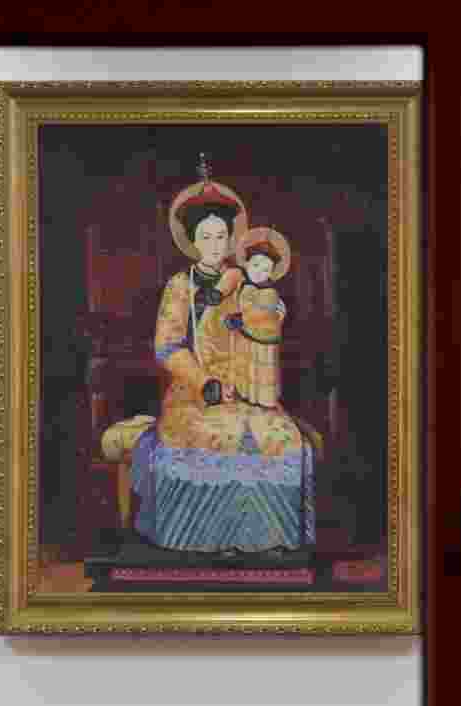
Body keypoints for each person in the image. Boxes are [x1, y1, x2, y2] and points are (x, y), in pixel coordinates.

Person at [121, 172, 316, 556]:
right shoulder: (180, 286)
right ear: (193, 242)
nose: (214, 245)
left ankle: (268, 539)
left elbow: (264, 320)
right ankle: (201, 541)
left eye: (221, 237)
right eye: (206, 237)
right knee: (210, 436)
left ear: (230, 240)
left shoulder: (244, 279)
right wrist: (205, 382)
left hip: (248, 386)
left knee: (282, 438)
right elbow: (167, 347)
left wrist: (273, 314)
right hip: (196, 390)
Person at [222, 229, 290, 410]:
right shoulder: (243, 285)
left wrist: (242, 319)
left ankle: (264, 402)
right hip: (247, 335)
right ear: (247, 263)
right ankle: (246, 396)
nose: (260, 272)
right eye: (256, 265)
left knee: (262, 372)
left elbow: (262, 314)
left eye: (266, 269)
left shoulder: (269, 292)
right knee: (247, 370)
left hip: (263, 338)